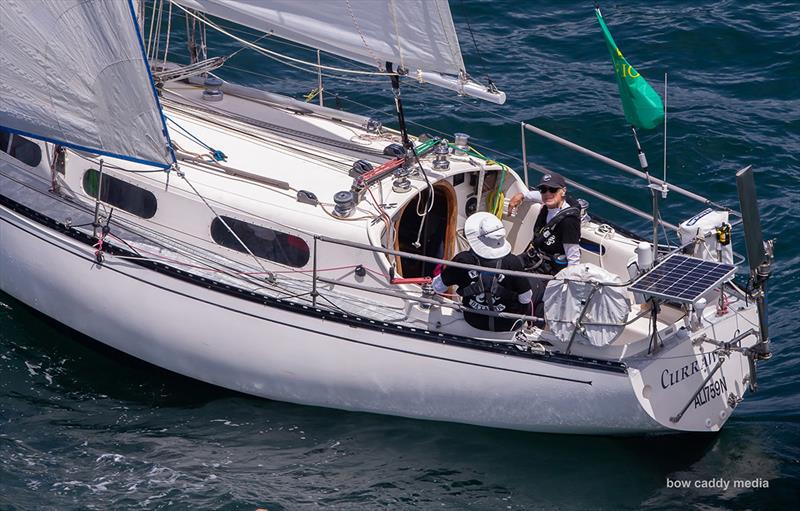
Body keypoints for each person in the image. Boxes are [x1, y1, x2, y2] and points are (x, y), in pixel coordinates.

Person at [432, 212, 532, 332]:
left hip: (473, 320)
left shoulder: (463, 260)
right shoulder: (513, 262)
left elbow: (438, 287)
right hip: (507, 324)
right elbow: (526, 298)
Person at [507, 172, 581, 275]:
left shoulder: (568, 221)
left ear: (563, 191)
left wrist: (569, 282)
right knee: (505, 264)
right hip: (533, 258)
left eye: (553, 189)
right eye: (543, 190)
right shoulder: (550, 202)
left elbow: (573, 257)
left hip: (549, 270)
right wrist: (522, 195)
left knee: (512, 284)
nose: (548, 193)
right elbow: (539, 195)